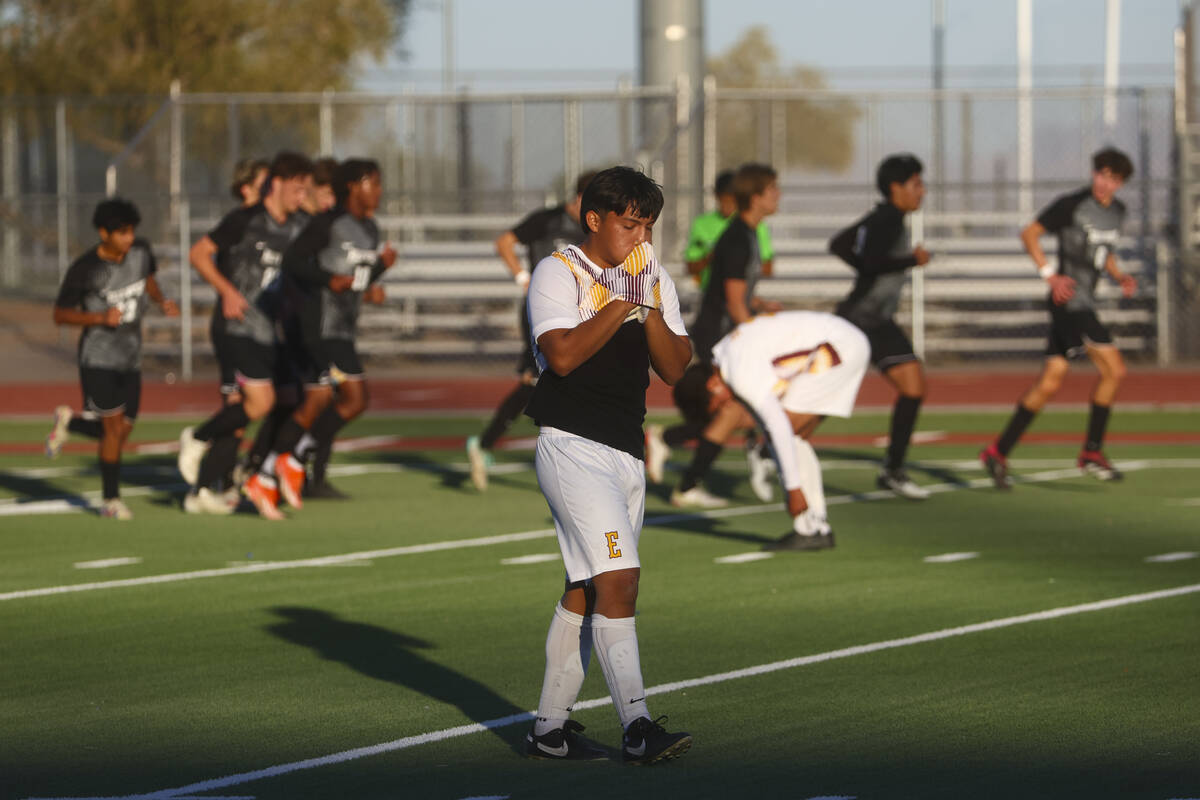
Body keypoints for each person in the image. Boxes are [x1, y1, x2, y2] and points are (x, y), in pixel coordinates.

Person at [522, 166, 692, 765]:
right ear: (594, 220)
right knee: (620, 578)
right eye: (629, 223)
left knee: (588, 586)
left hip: (625, 450)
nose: (640, 236)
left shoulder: (652, 276)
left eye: (647, 224)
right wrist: (623, 300)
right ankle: (638, 725)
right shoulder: (558, 270)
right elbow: (561, 356)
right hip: (570, 444)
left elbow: (675, 367)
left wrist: (648, 311)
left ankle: (548, 729)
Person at [241, 158, 397, 519]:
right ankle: (286, 462)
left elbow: (354, 278)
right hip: (319, 326)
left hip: (342, 326)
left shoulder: (371, 229)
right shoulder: (326, 224)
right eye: (374, 183)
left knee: (320, 402)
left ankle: (268, 473)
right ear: (354, 186)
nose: (379, 190)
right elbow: (294, 262)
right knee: (350, 398)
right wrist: (328, 280)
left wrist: (379, 271)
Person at [980, 147, 1137, 489]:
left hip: (1085, 304)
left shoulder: (1118, 212)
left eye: (1112, 178)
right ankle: (1092, 452)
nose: (1103, 183)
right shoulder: (1072, 205)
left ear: (1121, 183)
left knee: (1050, 382)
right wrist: (1050, 275)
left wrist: (1119, 275)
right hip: (1069, 304)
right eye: (1100, 174)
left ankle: (997, 451)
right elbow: (1029, 234)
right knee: (1115, 369)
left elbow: (1102, 253)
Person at [176, 151, 315, 514]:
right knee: (260, 403)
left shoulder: (299, 227)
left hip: (271, 332)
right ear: (278, 185)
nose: (302, 197)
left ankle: (249, 474)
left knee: (288, 399)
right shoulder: (245, 220)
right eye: (298, 190)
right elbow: (199, 254)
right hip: (236, 327)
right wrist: (227, 290)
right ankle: (198, 439)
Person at [678, 311, 871, 550]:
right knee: (794, 437)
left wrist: (793, 490)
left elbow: (778, 425)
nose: (723, 410)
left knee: (785, 434)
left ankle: (809, 526)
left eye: (716, 406)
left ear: (712, 385)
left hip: (839, 346)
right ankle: (815, 525)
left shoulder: (739, 373)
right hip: (841, 341)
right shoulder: (726, 353)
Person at [46, 198, 178, 519]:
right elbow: (60, 315)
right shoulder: (86, 269)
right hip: (98, 359)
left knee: (121, 432)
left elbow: (147, 279)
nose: (128, 239)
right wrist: (99, 319)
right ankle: (111, 500)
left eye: (131, 231)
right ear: (104, 233)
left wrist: (162, 300)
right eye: (121, 233)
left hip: (130, 357)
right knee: (113, 430)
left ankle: (71, 422)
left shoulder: (141, 252)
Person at [465, 170, 596, 491]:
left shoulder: (592, 228)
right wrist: (524, 279)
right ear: (580, 198)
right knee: (544, 378)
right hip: (543, 310)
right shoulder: (546, 221)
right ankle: (490, 446)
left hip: (578, 311)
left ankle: (485, 445)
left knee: (544, 382)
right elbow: (505, 242)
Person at [667, 163, 782, 509]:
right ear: (757, 196)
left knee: (734, 411)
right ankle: (760, 450)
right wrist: (758, 338)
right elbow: (733, 305)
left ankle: (687, 475)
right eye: (773, 189)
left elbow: (736, 295)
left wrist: (759, 305)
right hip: (720, 337)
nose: (778, 195)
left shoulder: (747, 234)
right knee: (739, 408)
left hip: (728, 333)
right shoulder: (736, 239)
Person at [828, 153, 932, 500]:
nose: (922, 191)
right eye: (916, 184)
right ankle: (766, 444)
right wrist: (910, 260)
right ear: (896, 187)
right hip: (860, 319)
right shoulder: (887, 218)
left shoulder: (885, 217)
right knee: (825, 390)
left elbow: (840, 245)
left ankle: (893, 471)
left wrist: (866, 266)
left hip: (875, 319)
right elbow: (872, 261)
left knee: (913, 385)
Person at [683, 169, 775, 290]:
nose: (728, 207)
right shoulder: (702, 223)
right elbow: (691, 267)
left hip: (742, 292)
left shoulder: (750, 225)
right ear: (717, 197)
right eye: (724, 201)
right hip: (713, 293)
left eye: (732, 202)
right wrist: (713, 257)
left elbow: (767, 268)